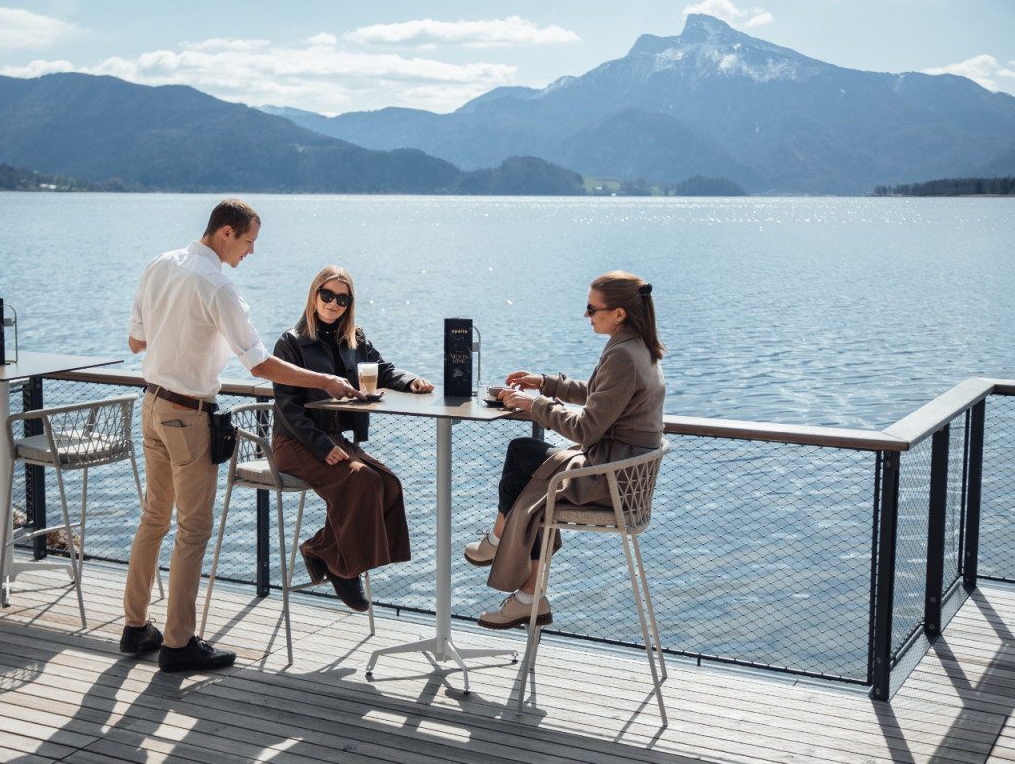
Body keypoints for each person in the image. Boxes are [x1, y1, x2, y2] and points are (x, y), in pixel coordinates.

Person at [121, 200, 363, 673]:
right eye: (249, 241)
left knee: (153, 519)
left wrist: (178, 335)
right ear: (226, 232)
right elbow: (259, 364)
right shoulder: (217, 285)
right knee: (193, 529)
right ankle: (178, 643)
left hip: (151, 405)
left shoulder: (160, 264)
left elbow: (136, 342)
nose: (251, 251)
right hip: (187, 414)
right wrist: (326, 381)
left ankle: (135, 627)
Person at [464, 270, 665, 630]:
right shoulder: (637, 347)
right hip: (623, 472)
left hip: (609, 477)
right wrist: (546, 383)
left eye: (592, 309)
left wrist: (535, 405)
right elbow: (601, 394)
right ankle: (528, 597)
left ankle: (499, 541)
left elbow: (586, 428)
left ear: (619, 313)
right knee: (531, 484)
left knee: (522, 454)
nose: (586, 315)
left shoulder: (623, 354)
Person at [271, 266, 434, 611]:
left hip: (333, 437)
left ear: (350, 303)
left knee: (388, 483)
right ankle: (345, 569)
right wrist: (322, 446)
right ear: (314, 294)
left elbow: (382, 370)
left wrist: (410, 380)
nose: (333, 303)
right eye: (327, 295)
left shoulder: (354, 338)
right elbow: (288, 408)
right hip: (296, 443)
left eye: (342, 299)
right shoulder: (290, 343)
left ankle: (321, 549)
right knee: (362, 480)